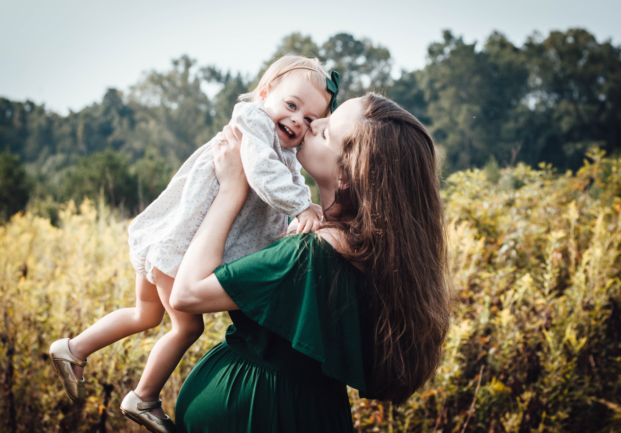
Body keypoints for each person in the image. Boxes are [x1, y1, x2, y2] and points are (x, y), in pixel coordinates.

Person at [48, 55, 340, 433]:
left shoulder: (283, 151)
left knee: (144, 315)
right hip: (181, 249)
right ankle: (143, 398)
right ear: (264, 93)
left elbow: (291, 182)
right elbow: (263, 174)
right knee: (187, 329)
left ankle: (72, 349)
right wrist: (302, 206)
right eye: (291, 105)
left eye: (311, 119)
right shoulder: (253, 124)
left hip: (167, 238)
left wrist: (310, 205)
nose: (299, 120)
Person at [170, 93, 451, 432]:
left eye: (325, 131)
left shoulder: (312, 254)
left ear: (348, 176)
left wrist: (232, 189)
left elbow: (186, 293)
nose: (311, 123)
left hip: (269, 414)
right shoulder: (375, 253)